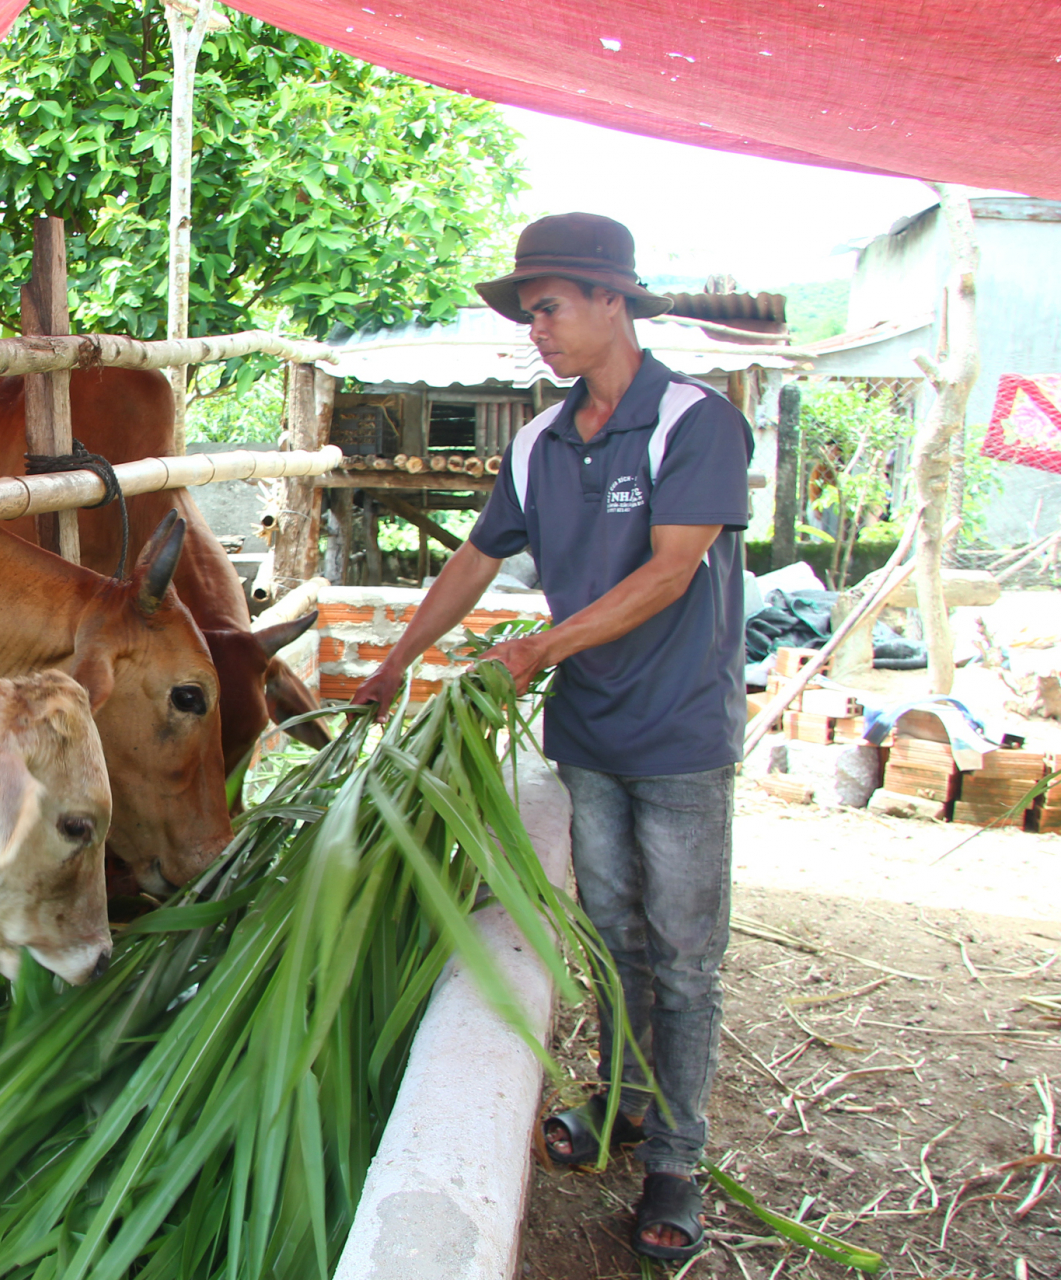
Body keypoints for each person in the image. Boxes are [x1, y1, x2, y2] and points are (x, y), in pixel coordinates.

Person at [350, 212, 751, 1263]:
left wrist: (532, 652)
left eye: (551, 307)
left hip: (678, 731)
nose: (538, 330)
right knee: (612, 928)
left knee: (685, 957)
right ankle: (619, 1099)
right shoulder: (540, 440)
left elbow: (669, 573)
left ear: (613, 299)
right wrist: (397, 658)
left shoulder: (692, 421)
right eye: (531, 313)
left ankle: (676, 1155)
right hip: (591, 726)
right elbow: (476, 562)